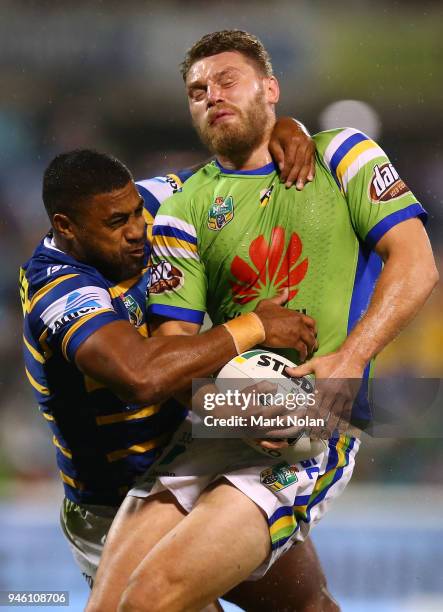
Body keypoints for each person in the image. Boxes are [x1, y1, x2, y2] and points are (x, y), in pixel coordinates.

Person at [87, 30, 438, 612]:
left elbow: (418, 264)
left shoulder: (343, 155)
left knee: (152, 598)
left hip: (311, 419)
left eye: (227, 80)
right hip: (221, 414)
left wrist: (348, 362)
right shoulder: (182, 209)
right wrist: (220, 408)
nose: (211, 96)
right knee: (108, 606)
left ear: (270, 90)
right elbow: (175, 351)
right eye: (197, 90)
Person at [20, 133, 335, 607]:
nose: (137, 230)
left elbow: (233, 168)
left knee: (309, 605)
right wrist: (254, 326)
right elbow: (140, 376)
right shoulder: (58, 289)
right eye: (116, 222)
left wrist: (285, 133)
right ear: (66, 227)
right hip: (115, 505)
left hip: (196, 462)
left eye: (135, 213)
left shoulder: (146, 202)